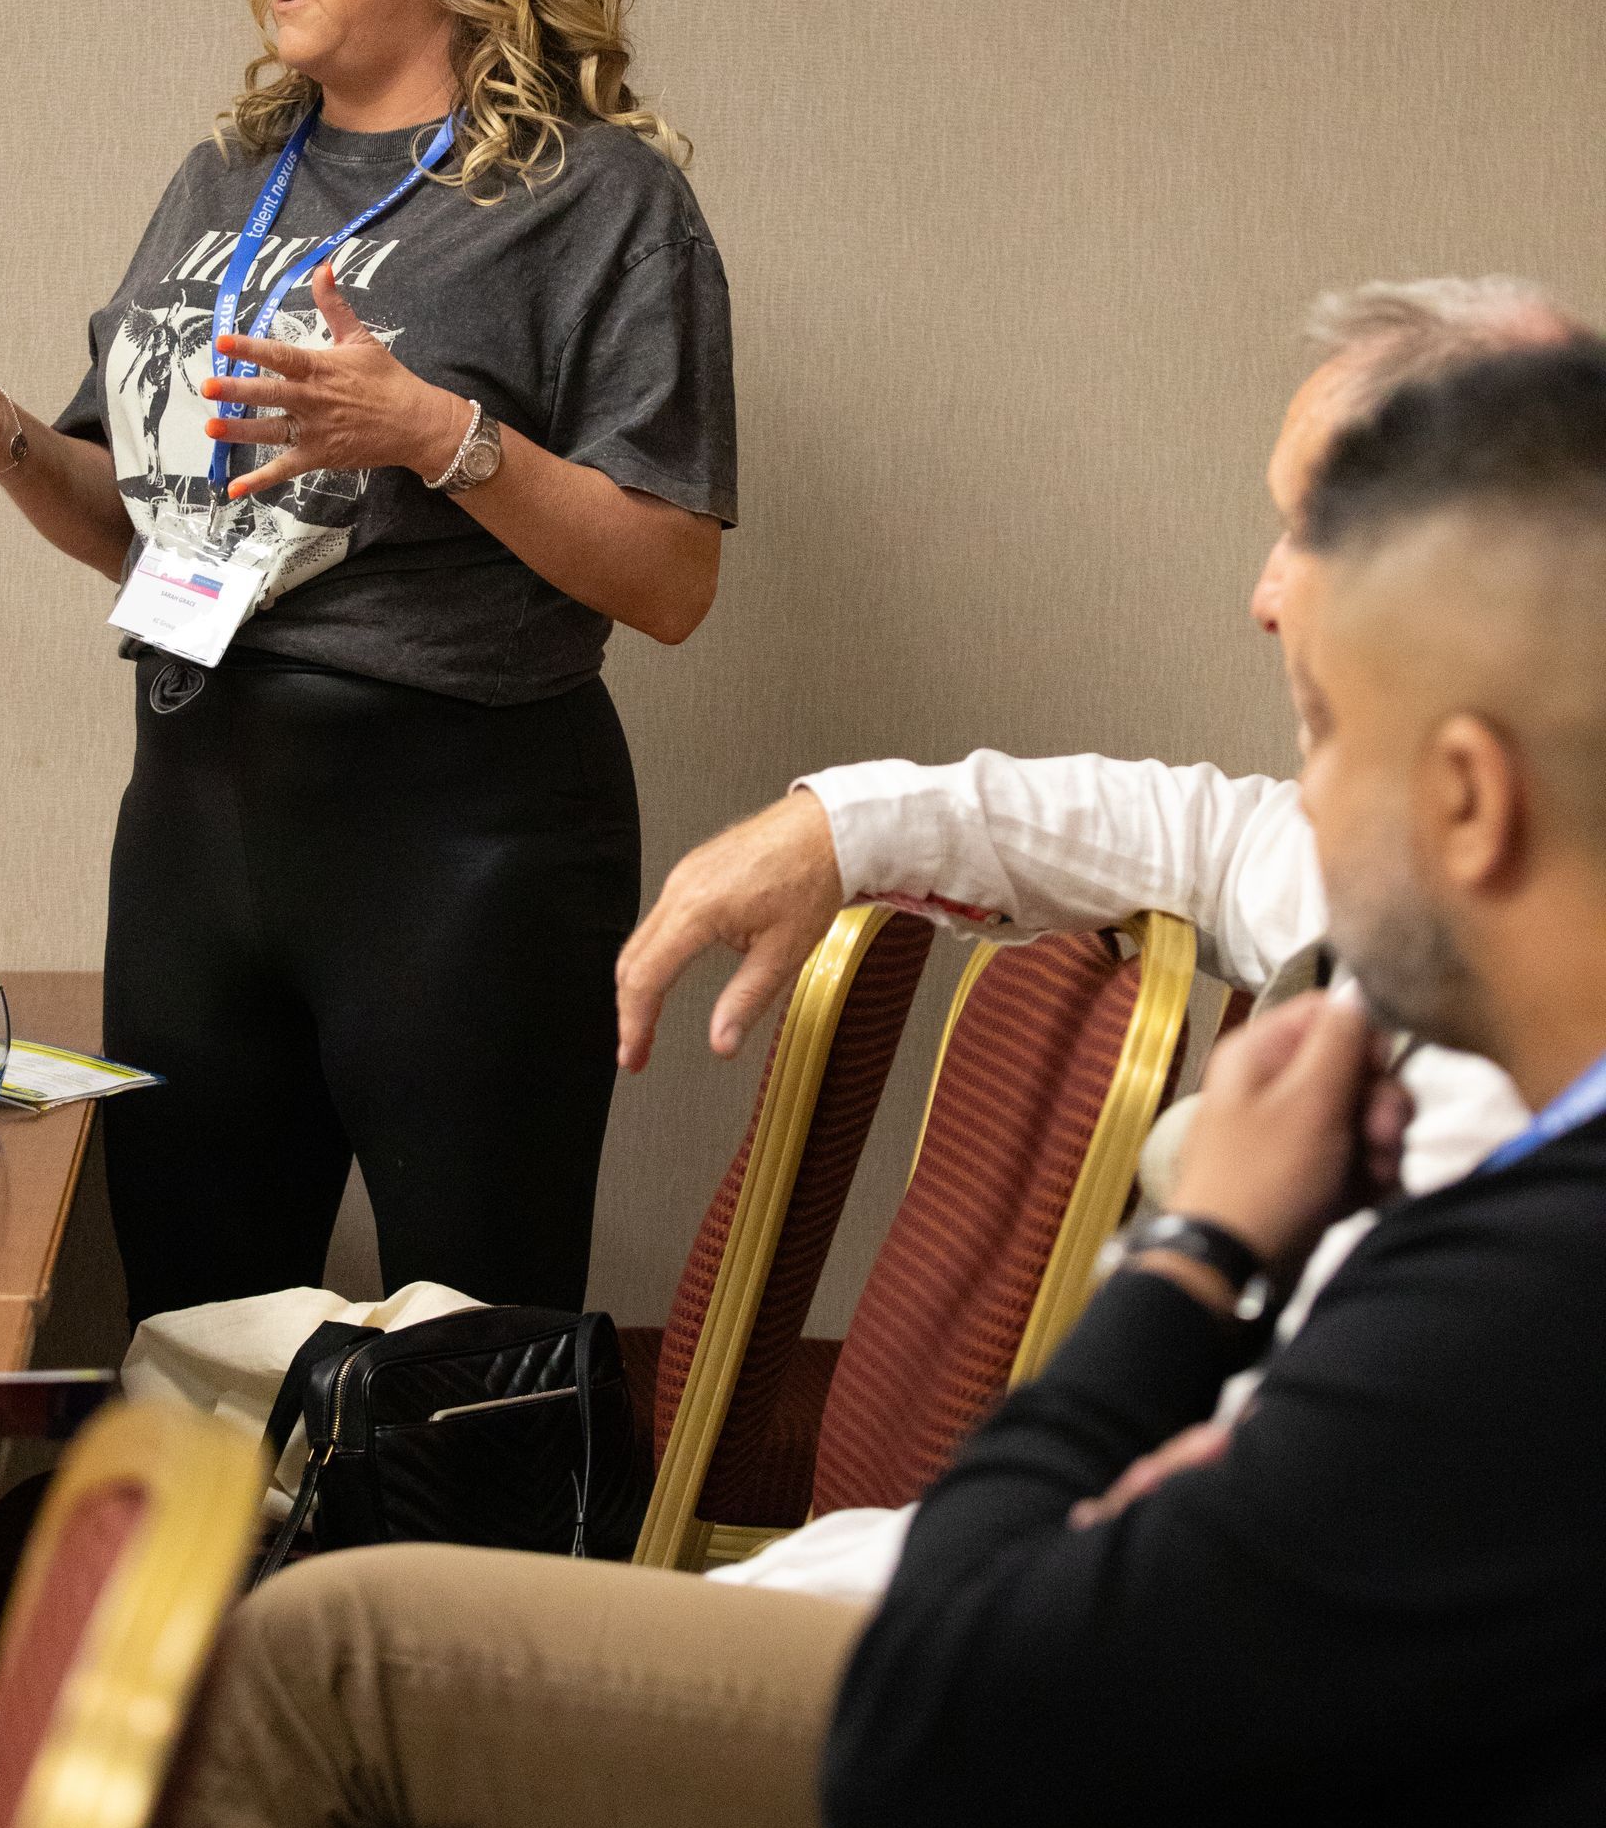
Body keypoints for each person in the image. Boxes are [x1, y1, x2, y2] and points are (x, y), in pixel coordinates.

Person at [147, 339, 1606, 1828]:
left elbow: (960, 1717)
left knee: (329, 1654)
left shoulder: (1524, 1284)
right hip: (1109, 1679)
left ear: (1469, 798)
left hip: (1055, 1743)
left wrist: (1196, 1266)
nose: (1289, 808)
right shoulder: (1505, 1183)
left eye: (1323, 741)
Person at [0, 0, 736, 1323]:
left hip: (463, 842)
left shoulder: (598, 200)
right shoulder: (228, 175)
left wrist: (438, 434)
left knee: (464, 1353)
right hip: (196, 824)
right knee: (191, 1336)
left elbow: (672, 581)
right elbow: (138, 523)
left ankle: (457, 1594)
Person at [624, 273, 1577, 1607]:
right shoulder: (1424, 874)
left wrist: (1202, 1247)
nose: (1263, 598)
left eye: (1307, 535)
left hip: (1138, 1647)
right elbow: (1202, 828)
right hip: (1093, 1595)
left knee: (348, 1661)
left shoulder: (1532, 1152)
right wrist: (841, 825)